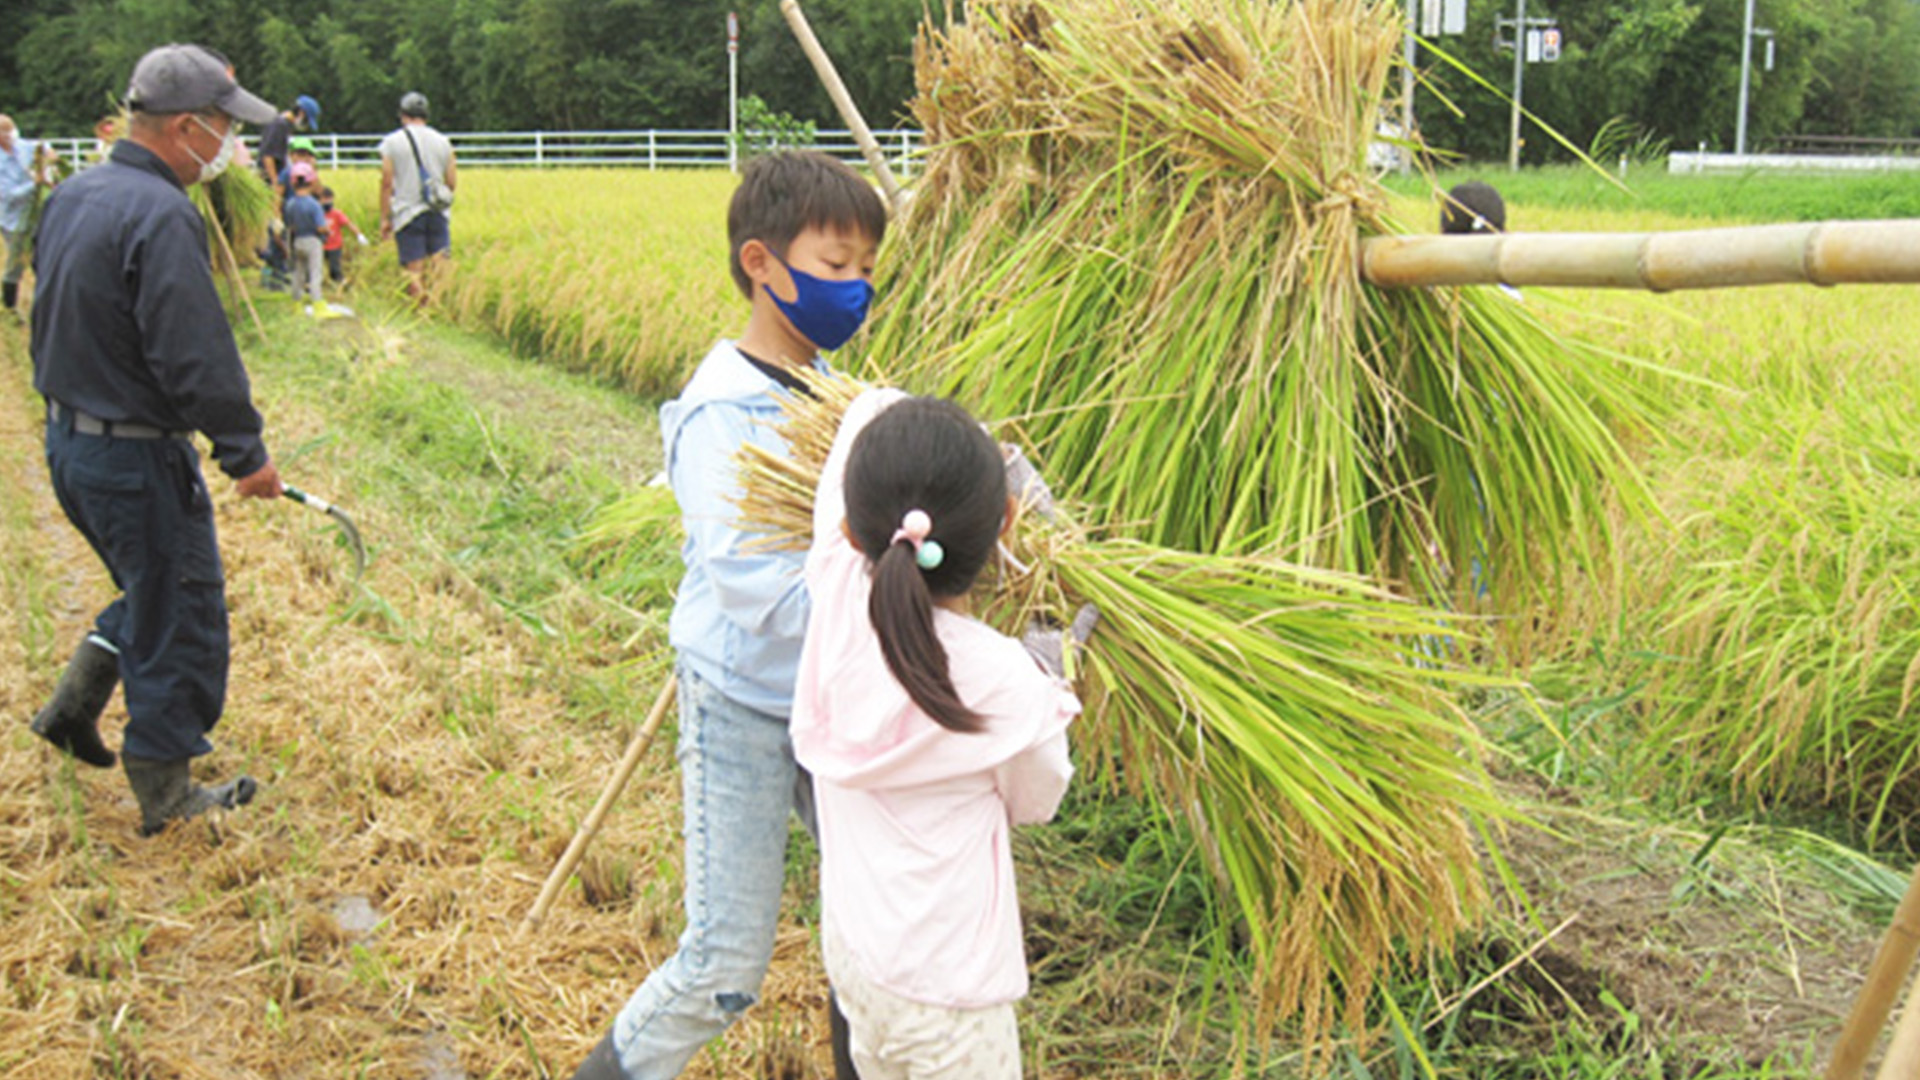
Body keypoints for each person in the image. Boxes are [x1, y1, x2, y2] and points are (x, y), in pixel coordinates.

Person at [566, 150, 889, 1080]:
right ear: (761, 261)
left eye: (866, 268)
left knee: (871, 930)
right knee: (723, 966)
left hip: (831, 701)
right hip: (746, 702)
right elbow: (757, 593)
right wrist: (900, 606)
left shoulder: (840, 396)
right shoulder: (723, 413)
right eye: (835, 266)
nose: (855, 288)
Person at [28, 43, 281, 835]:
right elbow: (194, 353)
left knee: (148, 586)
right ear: (184, 128)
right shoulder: (161, 211)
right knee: (180, 608)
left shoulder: (74, 193)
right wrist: (246, 454)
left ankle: (73, 709)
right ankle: (166, 792)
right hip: (134, 456)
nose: (230, 148)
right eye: (223, 130)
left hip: (73, 442)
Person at [794, 390, 1085, 1079]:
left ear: (848, 529)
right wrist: (1056, 682)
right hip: (950, 999)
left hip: (858, 960)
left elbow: (865, 407)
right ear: (1008, 522)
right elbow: (1040, 797)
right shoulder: (1005, 682)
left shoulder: (833, 590)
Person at [378, 91, 455, 306]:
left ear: (403, 115)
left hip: (407, 212)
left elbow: (386, 181)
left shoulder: (392, 142)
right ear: (426, 115)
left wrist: (385, 218)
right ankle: (439, 307)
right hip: (438, 211)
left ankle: (421, 311)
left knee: (414, 270)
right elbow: (452, 182)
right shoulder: (443, 142)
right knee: (440, 265)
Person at [255, 95, 317, 289]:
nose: (303, 124)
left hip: (274, 183)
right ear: (301, 113)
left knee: (277, 230)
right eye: (306, 119)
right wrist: (275, 184)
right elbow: (267, 156)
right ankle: (274, 277)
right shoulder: (279, 125)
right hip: (270, 184)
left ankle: (272, 275)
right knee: (276, 230)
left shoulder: (282, 125)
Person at [0, 114, 49, 313]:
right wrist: (34, 185)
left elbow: (39, 149)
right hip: (14, 220)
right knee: (18, 262)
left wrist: (48, 154)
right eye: (7, 132)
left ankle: (47, 302)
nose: (12, 135)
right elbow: (8, 195)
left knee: (43, 257)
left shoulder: (21, 147)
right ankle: (9, 306)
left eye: (12, 130)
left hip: (37, 214)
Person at [283, 163, 326, 312]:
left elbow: (290, 225)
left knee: (298, 273)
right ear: (311, 181)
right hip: (312, 241)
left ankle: (296, 303)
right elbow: (320, 227)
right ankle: (318, 303)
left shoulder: (290, 204)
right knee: (315, 273)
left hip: (297, 241)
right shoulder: (314, 205)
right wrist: (327, 230)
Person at [316, 185, 367, 285]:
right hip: (320, 246)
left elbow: (349, 224)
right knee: (317, 269)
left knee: (335, 269)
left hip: (335, 246)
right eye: (324, 199)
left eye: (329, 199)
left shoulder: (337, 214)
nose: (327, 202)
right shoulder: (317, 213)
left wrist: (359, 235)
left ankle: (340, 285)